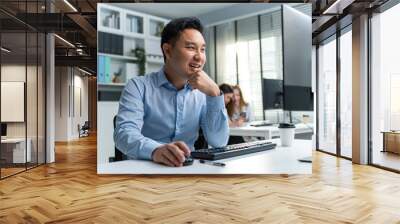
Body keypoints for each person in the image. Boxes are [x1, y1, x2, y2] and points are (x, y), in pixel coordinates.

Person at [114, 17, 229, 167]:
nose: (199, 56)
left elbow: (219, 142)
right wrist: (155, 150)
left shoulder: (203, 93)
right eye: (191, 47)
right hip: (145, 168)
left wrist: (215, 94)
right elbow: (123, 134)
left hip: (187, 170)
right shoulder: (138, 86)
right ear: (167, 50)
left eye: (202, 49)